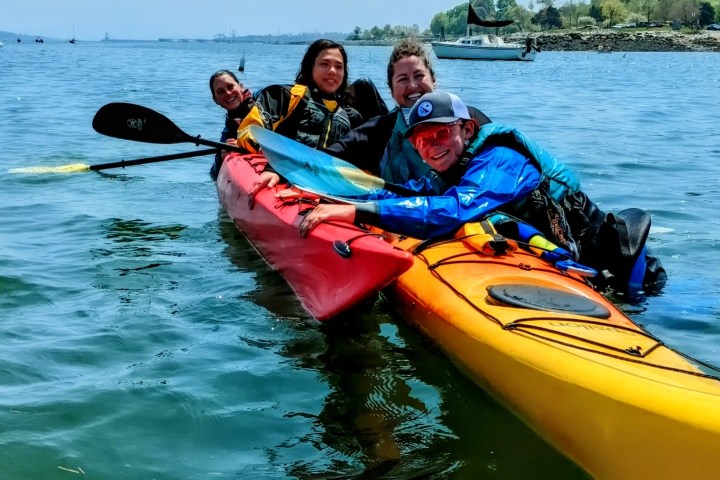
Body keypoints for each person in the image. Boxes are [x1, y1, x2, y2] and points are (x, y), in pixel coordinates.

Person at [298, 91, 666, 296]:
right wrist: (340, 201)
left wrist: (357, 214)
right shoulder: (448, 171)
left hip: (631, 279)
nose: (432, 146)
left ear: (467, 129)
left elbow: (453, 210)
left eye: (441, 133)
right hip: (570, 268)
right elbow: (406, 195)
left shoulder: (500, 160)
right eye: (421, 140)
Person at [325, 39, 491, 191]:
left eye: (419, 76)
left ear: (433, 79)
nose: (412, 85)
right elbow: (323, 160)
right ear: (391, 89)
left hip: (463, 208)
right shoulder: (379, 129)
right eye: (403, 79)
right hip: (398, 213)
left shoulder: (466, 117)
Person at [234, 39, 365, 156]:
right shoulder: (284, 96)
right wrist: (259, 145)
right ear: (310, 67)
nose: (332, 71)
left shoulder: (352, 117)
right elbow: (250, 129)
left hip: (327, 180)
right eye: (324, 64)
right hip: (282, 174)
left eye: (339, 66)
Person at [208, 69, 255, 180]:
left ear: (241, 87)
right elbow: (214, 174)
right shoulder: (229, 127)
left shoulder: (261, 109)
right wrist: (221, 155)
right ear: (215, 100)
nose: (228, 93)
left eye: (230, 87)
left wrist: (244, 143)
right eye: (220, 92)